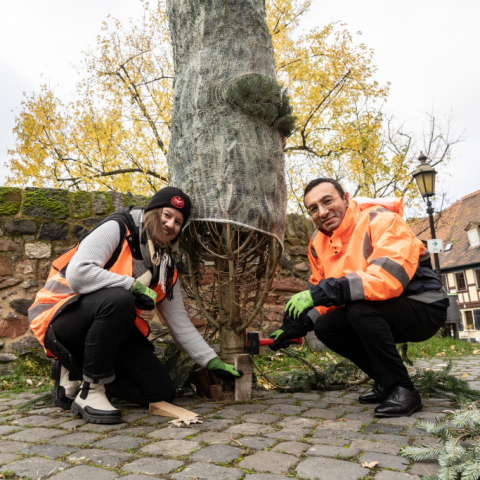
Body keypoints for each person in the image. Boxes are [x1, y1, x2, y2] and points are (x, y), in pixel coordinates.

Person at [28, 187, 242, 424]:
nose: (171, 224)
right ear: (152, 212)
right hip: (61, 320)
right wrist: (131, 285)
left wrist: (212, 362)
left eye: (178, 222)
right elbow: (78, 275)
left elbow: (180, 324)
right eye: (167, 215)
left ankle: (79, 370)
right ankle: (91, 391)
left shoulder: (166, 267)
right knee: (119, 299)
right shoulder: (119, 227)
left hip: (110, 336)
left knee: (160, 392)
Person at [270, 178, 448, 417]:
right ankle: (386, 381)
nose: (322, 212)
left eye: (327, 201)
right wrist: (297, 325)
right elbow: (322, 293)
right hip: (378, 308)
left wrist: (325, 292)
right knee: (326, 327)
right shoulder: (317, 242)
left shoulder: (383, 220)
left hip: (423, 305)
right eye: (313, 208)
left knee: (359, 309)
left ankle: (403, 389)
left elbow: (387, 278)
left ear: (345, 198)